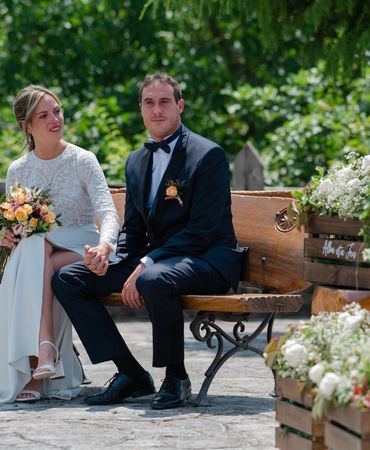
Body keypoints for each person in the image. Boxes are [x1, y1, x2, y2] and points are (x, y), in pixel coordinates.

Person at [52, 72, 245, 409]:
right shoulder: (136, 160)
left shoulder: (208, 155)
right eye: (149, 103)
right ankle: (130, 374)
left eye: (164, 102)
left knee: (154, 279)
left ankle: (176, 378)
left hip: (208, 257)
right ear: (141, 109)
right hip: (157, 259)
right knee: (69, 278)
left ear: (180, 106)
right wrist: (109, 256)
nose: (157, 110)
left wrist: (145, 263)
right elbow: (136, 227)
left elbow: (203, 229)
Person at [0, 85, 119, 403]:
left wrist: (105, 247)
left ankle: (38, 362)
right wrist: (8, 237)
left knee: (34, 251)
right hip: (42, 251)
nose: (54, 119)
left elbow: (108, 212)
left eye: (56, 111)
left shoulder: (83, 160)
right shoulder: (18, 169)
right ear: (27, 126)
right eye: (43, 115)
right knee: (34, 248)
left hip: (81, 246)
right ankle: (46, 353)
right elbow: (14, 223)